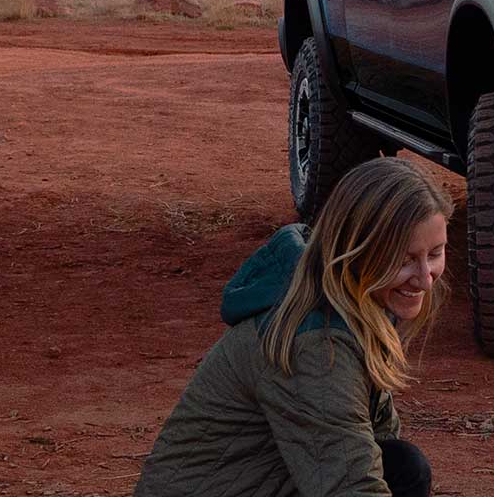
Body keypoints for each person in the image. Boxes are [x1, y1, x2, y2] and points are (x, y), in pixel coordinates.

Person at [136, 158, 451, 497]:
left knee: (402, 467)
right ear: (356, 250)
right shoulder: (317, 343)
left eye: (435, 253)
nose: (425, 278)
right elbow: (350, 486)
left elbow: (372, 445)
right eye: (404, 259)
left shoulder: (356, 300)